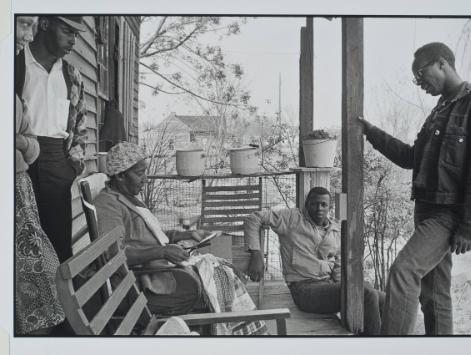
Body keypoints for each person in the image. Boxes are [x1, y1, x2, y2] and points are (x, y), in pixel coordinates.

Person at [358, 42, 471, 335]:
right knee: (435, 295)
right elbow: (409, 158)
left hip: (447, 214)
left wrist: (470, 226)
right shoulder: (438, 111)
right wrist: (371, 132)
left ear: (442, 63)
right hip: (425, 211)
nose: (419, 83)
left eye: (421, 73)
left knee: (403, 272)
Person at [94, 142, 267, 335]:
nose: (145, 179)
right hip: (142, 283)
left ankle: (238, 334)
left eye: (145, 172)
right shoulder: (108, 205)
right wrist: (162, 251)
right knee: (211, 283)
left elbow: (150, 236)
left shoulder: (128, 197)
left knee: (223, 271)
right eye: (140, 174)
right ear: (120, 175)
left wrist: (185, 234)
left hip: (157, 270)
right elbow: (113, 256)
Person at [244, 186, 385, 335]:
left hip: (328, 286)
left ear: (329, 207)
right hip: (304, 290)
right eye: (314, 204)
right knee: (367, 291)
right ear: (307, 204)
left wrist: (345, 288)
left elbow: (338, 266)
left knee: (386, 300)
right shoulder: (292, 218)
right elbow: (254, 218)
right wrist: (256, 254)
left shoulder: (335, 229)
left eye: (323, 204)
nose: (319, 208)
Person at [15, 16, 87, 263]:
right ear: (45, 24)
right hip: (19, 161)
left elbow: (79, 127)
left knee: (58, 247)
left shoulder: (71, 75)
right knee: (22, 243)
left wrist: (72, 166)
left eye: (77, 35)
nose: (73, 40)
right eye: (67, 31)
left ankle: (59, 301)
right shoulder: (15, 63)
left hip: (58, 162)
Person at [15, 16, 65, 335]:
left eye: (32, 25)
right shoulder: (21, 73)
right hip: (25, 178)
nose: (28, 35)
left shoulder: (70, 74)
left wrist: (19, 142)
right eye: (23, 25)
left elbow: (30, 142)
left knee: (44, 267)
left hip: (26, 182)